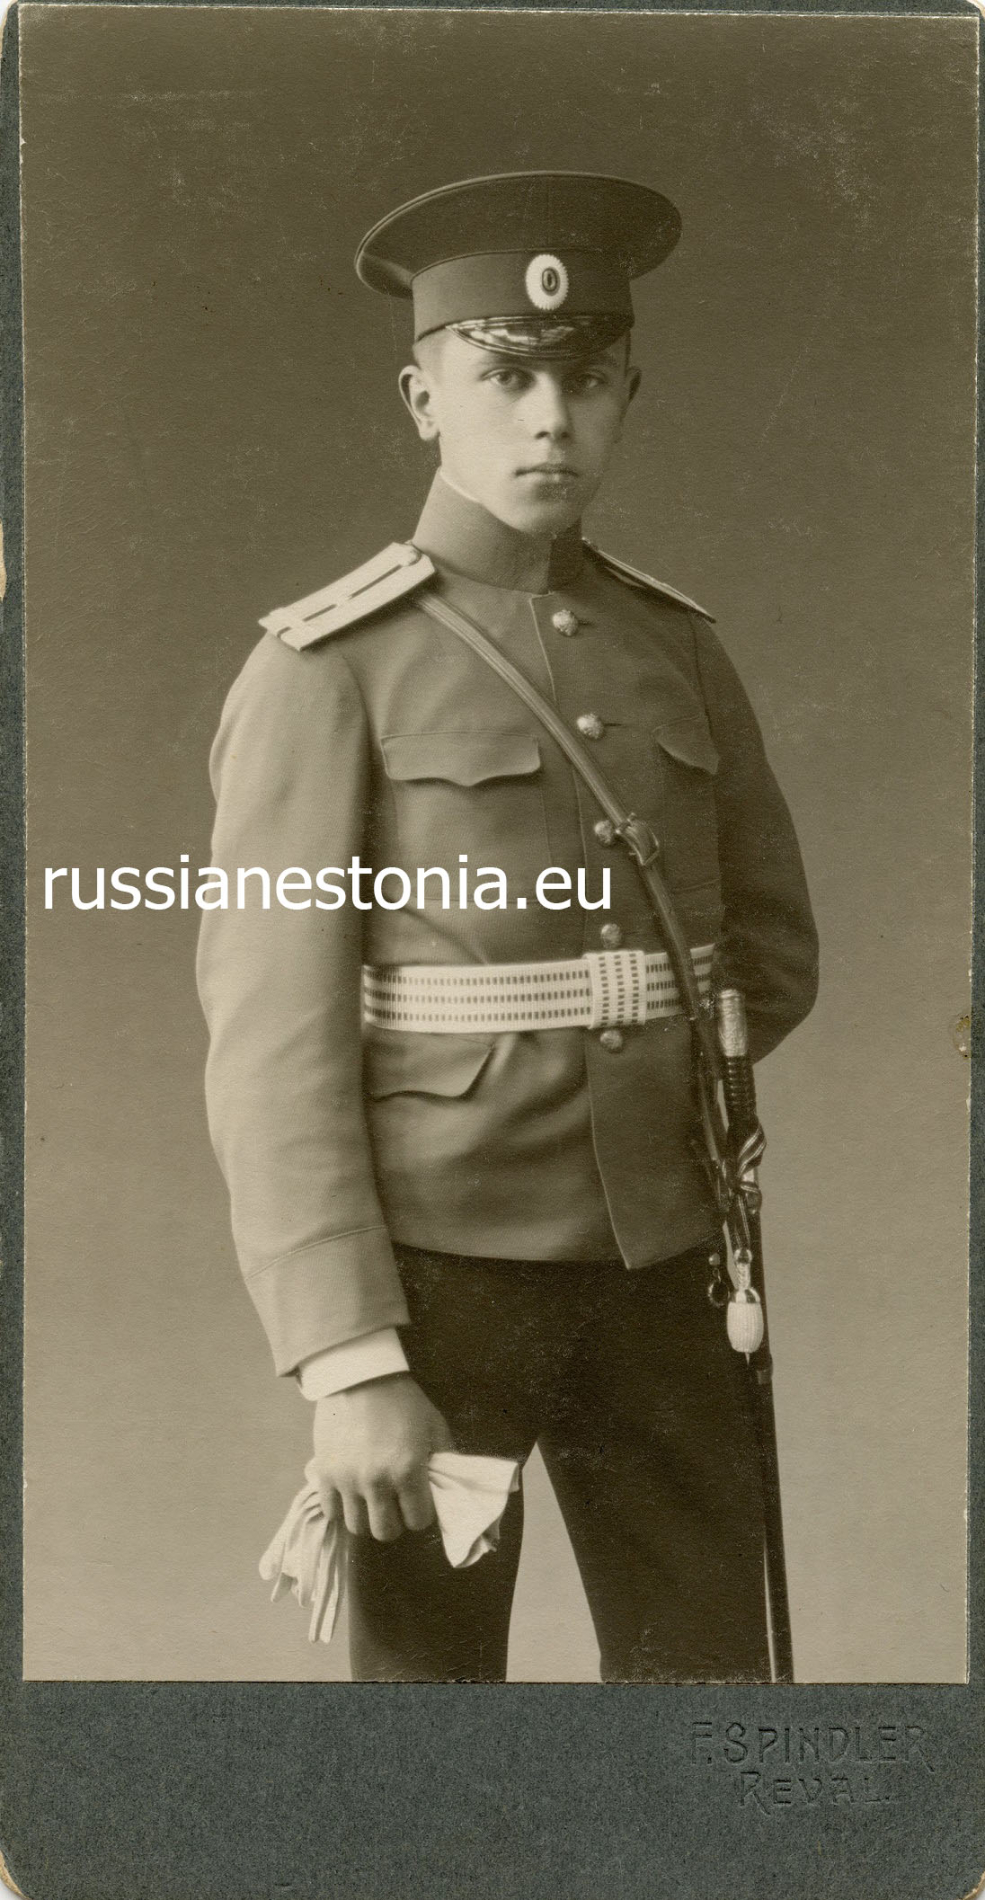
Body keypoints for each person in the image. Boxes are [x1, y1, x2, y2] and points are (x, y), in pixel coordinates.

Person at [197, 170, 819, 1684]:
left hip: (666, 1269)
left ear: (626, 397)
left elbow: (768, 954)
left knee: (700, 1697)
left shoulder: (676, 647)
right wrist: (349, 1359)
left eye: (585, 382)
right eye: (506, 378)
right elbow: (270, 1050)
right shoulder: (327, 668)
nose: (550, 420)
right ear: (425, 399)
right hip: (437, 1289)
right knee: (432, 1728)